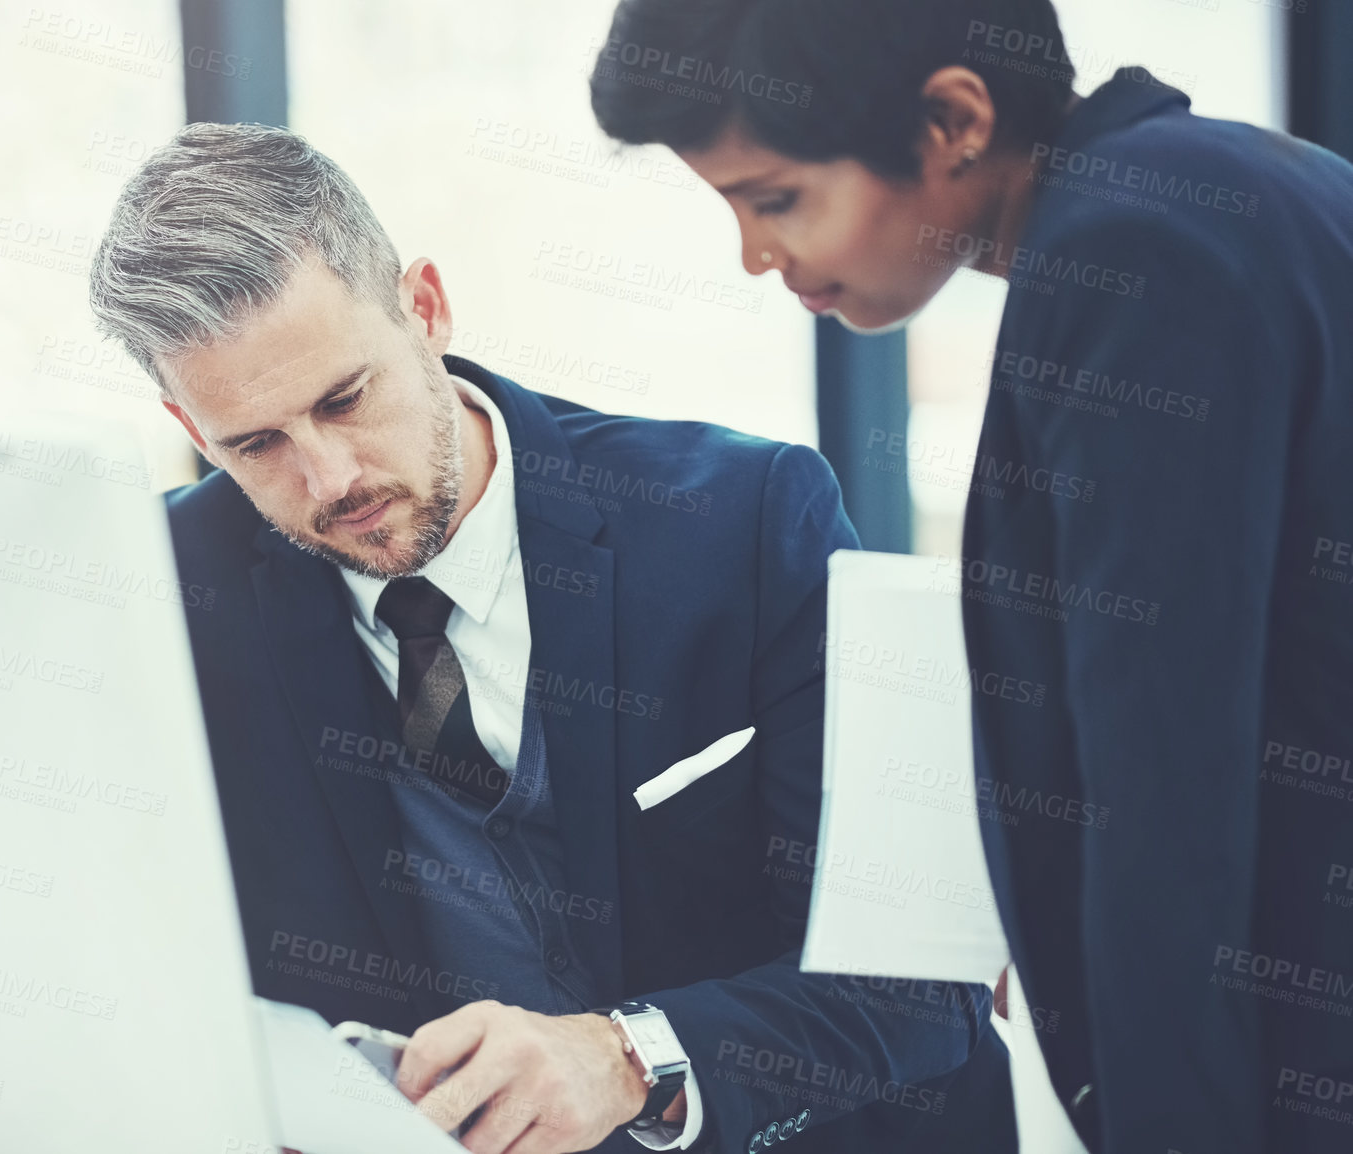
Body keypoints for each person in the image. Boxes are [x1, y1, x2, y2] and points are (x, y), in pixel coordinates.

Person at [88, 123, 1017, 1154]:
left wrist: (632, 1060)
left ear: (424, 308)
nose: (329, 478)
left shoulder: (744, 524)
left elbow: (919, 988)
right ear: (185, 418)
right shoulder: (168, 588)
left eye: (345, 398)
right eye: (253, 443)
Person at [589, 1, 1353, 1152]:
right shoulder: (1214, 189)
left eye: (776, 196)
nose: (754, 254)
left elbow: (1162, 780)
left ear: (952, 119)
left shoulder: (1131, 253)